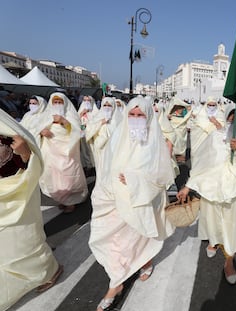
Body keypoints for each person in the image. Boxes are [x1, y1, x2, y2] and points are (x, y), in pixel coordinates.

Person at [89, 96, 176, 311]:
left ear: (148, 118)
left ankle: (135, 268)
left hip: (142, 201)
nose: (136, 119)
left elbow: (163, 176)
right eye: (132, 115)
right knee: (118, 242)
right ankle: (117, 281)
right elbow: (106, 170)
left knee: (139, 239)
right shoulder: (118, 137)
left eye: (140, 115)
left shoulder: (156, 143)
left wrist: (135, 180)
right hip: (115, 201)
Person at [177, 99, 236, 285]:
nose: (235, 124)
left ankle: (229, 260)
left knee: (232, 226)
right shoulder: (215, 137)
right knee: (212, 219)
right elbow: (201, 164)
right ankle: (213, 241)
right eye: (231, 120)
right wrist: (188, 186)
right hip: (212, 188)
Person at [0, 108, 63, 311]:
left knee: (23, 241)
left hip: (18, 197)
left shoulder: (7, 129)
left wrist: (24, 151)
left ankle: (49, 271)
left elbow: (33, 161)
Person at [37, 92, 88, 214]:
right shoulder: (46, 115)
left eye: (60, 102)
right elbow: (36, 129)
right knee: (55, 177)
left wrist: (64, 121)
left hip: (67, 151)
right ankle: (62, 199)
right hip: (51, 151)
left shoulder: (71, 115)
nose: (57, 104)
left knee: (69, 177)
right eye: (55, 102)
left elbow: (78, 132)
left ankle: (72, 201)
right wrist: (42, 132)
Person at [78, 95, 99, 175]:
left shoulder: (95, 112)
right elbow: (76, 120)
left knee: (92, 149)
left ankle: (94, 165)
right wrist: (81, 113)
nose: (87, 102)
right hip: (83, 134)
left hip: (92, 134)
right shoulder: (80, 111)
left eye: (88, 101)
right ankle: (87, 165)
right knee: (84, 149)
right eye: (85, 100)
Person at [166, 97, 192, 163]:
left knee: (181, 145)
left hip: (182, 134)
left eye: (182, 108)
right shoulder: (170, 116)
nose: (181, 110)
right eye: (179, 108)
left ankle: (180, 157)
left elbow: (189, 114)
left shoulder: (184, 117)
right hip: (174, 134)